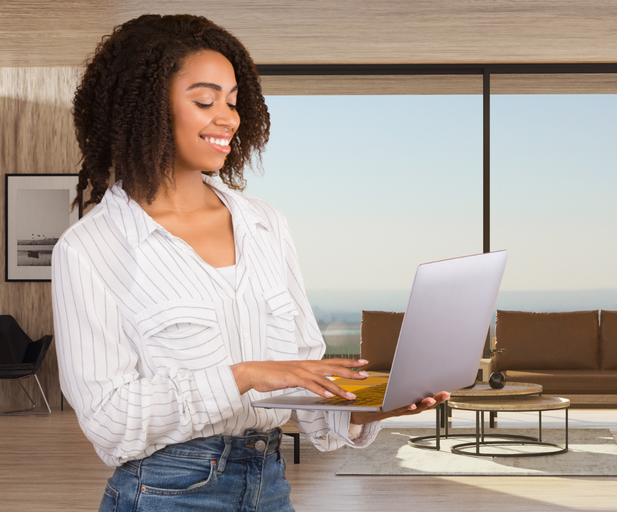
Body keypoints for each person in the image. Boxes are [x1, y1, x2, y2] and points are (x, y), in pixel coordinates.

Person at [53, 14, 449, 511]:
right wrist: (244, 375)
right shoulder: (91, 249)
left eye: (233, 101)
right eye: (204, 101)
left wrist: (374, 407)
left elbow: (304, 394)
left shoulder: (266, 225)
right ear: (147, 109)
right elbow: (109, 421)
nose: (229, 117)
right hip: (165, 493)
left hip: (269, 483)